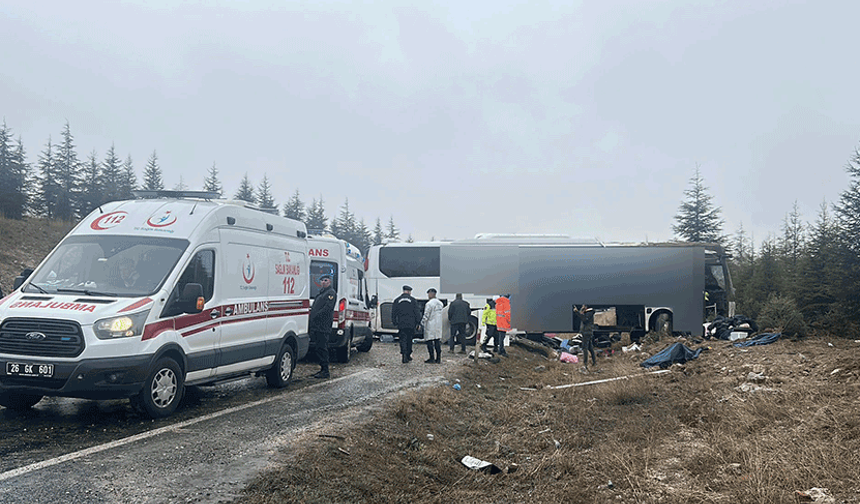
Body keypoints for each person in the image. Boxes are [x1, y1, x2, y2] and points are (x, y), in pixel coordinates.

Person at [309, 274, 337, 378]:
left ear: (330, 282)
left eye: (326, 280)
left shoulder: (331, 293)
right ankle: (322, 369)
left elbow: (327, 308)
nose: (324, 282)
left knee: (322, 348)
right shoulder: (321, 293)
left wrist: (316, 315)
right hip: (317, 325)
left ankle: (325, 371)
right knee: (318, 348)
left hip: (323, 326)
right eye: (322, 280)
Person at [391, 285, 421, 363]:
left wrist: (394, 322)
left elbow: (393, 312)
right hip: (411, 324)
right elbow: (417, 312)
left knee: (402, 339)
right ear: (409, 292)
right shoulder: (413, 300)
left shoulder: (397, 300)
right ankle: (408, 354)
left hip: (401, 323)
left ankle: (403, 354)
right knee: (409, 339)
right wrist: (418, 322)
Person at [420, 288, 443, 364]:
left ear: (431, 294)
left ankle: (432, 358)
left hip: (430, 325)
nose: (428, 295)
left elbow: (426, 315)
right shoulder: (440, 303)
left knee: (429, 341)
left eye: (428, 294)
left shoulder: (429, 304)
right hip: (438, 325)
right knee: (437, 341)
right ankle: (438, 358)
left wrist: (422, 323)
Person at [574, 304, 596, 372]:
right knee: (590, 348)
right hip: (587, 332)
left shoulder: (589, 313)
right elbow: (582, 316)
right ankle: (594, 362)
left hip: (586, 332)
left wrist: (577, 312)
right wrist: (580, 311)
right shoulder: (588, 312)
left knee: (585, 348)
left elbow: (584, 319)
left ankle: (585, 364)